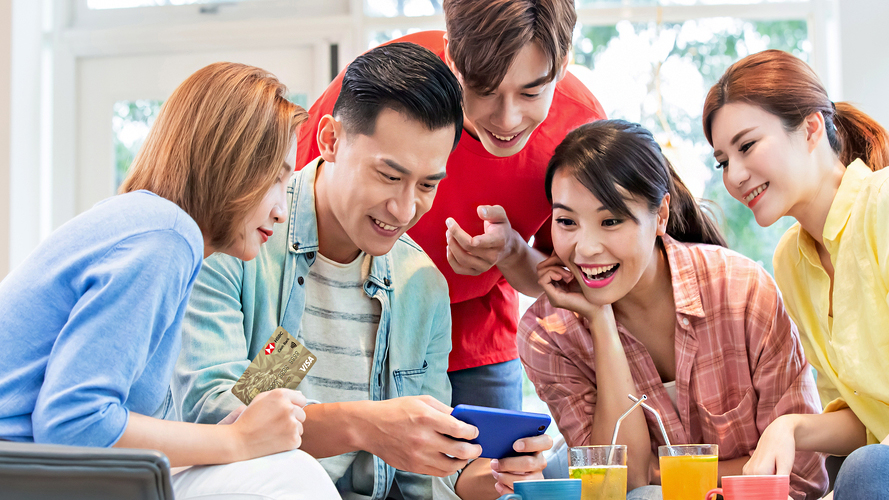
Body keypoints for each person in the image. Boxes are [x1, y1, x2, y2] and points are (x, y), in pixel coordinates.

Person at [171, 43, 551, 500]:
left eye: (427, 184)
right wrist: (363, 427)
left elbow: (425, 483)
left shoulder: (421, 286)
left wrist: (492, 476)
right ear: (329, 140)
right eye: (389, 176)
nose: (405, 208)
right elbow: (215, 417)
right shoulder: (238, 233)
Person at [0, 62, 339, 499]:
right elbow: (73, 422)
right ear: (232, 165)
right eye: (276, 180)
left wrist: (234, 436)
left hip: (35, 465)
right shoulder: (169, 238)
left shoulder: (153, 228)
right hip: (22, 470)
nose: (281, 208)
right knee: (293, 475)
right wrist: (236, 439)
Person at [294, 0, 606, 414]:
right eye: (484, 91)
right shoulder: (381, 86)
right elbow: (237, 415)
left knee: (487, 468)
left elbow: (565, 280)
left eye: (531, 91)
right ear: (452, 58)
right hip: (329, 311)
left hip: (475, 338)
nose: (508, 118)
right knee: (276, 425)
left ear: (563, 65)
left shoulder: (580, 130)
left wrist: (512, 252)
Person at [518, 120, 828, 499]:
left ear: (661, 214)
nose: (585, 249)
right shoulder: (548, 332)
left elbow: (801, 472)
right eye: (566, 222)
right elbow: (620, 485)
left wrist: (661, 472)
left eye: (610, 220)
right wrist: (601, 322)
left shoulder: (739, 289)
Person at [704, 49, 889, 500]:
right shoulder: (790, 259)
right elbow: (866, 421)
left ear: (810, 128)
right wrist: (788, 429)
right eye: (723, 160)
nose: (735, 176)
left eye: (746, 146)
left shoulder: (883, 206)